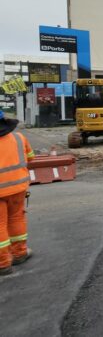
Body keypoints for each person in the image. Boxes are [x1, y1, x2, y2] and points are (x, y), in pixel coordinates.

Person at [0, 110, 35, 276]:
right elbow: (30, 158)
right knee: (16, 218)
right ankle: (20, 253)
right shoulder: (19, 138)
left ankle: (3, 263)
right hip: (18, 187)